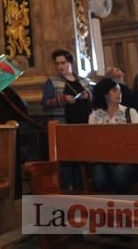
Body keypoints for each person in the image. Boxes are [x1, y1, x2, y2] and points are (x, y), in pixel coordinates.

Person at [42, 49, 92, 191]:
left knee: (82, 159)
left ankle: (83, 188)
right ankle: (68, 189)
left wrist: (87, 96)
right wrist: (62, 99)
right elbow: (45, 103)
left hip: (83, 124)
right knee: (67, 160)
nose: (60, 66)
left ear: (70, 63)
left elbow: (93, 102)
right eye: (57, 64)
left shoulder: (83, 81)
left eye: (63, 63)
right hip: (64, 125)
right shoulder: (52, 82)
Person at [89, 78, 138, 193]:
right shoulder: (94, 116)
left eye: (119, 90)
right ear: (105, 94)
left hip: (131, 162)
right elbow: (93, 142)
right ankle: (103, 208)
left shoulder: (130, 112)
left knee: (120, 172)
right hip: (105, 160)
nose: (119, 93)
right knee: (99, 176)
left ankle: (124, 208)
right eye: (114, 90)